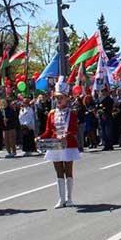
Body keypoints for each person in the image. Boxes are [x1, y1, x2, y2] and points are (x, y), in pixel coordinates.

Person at [40, 77, 80, 208]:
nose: (58, 100)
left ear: (67, 98)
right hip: (55, 146)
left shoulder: (72, 113)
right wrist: (40, 137)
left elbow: (74, 129)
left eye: (61, 97)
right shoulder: (51, 113)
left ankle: (69, 198)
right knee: (58, 171)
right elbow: (48, 130)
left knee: (68, 170)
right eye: (57, 98)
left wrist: (65, 136)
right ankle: (61, 199)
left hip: (68, 145)